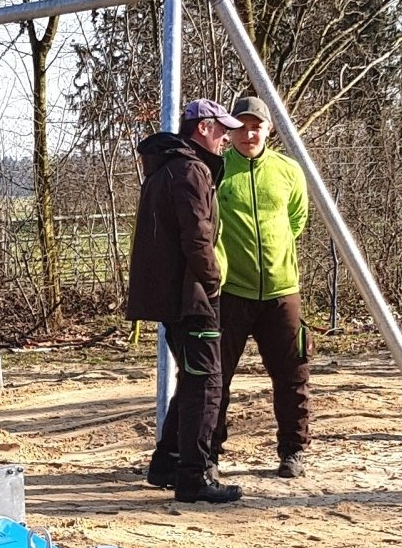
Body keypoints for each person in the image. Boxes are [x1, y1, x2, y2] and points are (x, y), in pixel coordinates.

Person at [126, 99, 244, 504]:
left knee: (193, 378)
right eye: (223, 129)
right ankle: (194, 477)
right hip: (191, 296)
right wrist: (211, 283)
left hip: (173, 296)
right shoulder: (190, 170)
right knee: (207, 384)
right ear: (204, 128)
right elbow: (197, 236)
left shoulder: (167, 168)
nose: (227, 138)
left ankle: (166, 464)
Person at [211, 96, 312, 479]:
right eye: (242, 125)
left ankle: (293, 450)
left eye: (257, 125)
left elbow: (296, 220)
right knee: (215, 377)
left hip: (282, 292)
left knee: (292, 375)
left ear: (269, 129)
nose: (250, 132)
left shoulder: (289, 171)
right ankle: (210, 454)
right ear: (231, 129)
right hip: (231, 292)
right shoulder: (217, 171)